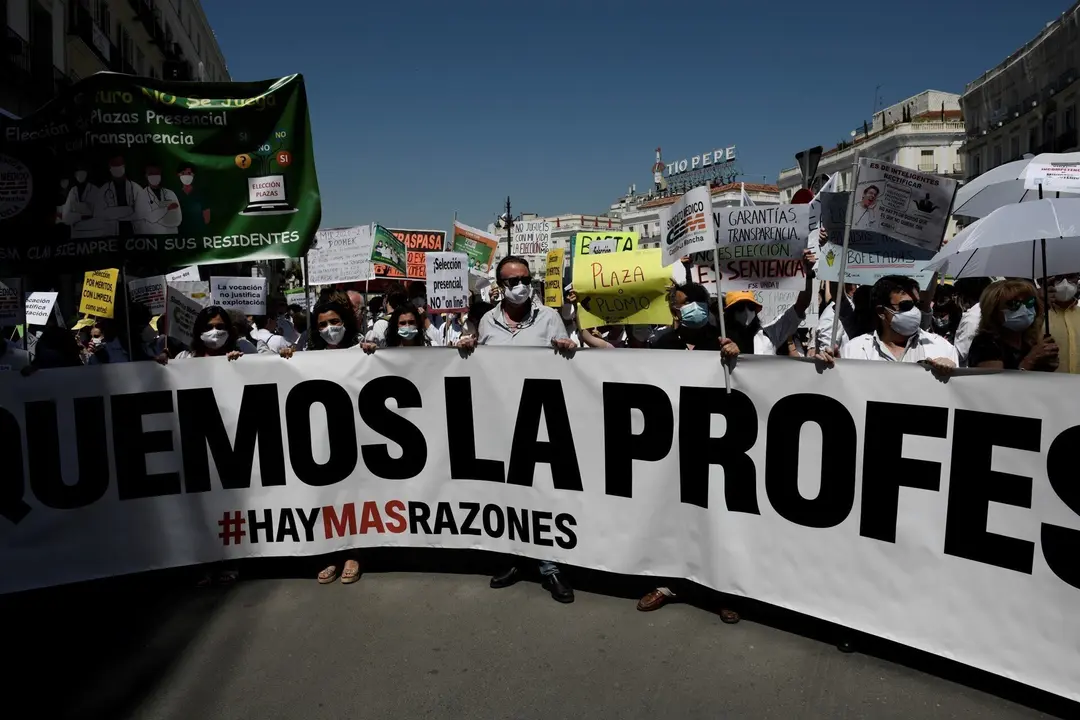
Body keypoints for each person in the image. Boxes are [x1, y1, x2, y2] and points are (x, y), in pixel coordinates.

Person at [458, 256, 576, 603]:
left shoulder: (550, 318)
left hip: (539, 422)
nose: (521, 286)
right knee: (505, 493)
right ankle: (512, 559)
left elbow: (568, 365)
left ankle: (550, 567)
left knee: (541, 494)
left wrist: (569, 348)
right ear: (500, 286)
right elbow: (476, 364)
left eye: (525, 279)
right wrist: (466, 347)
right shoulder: (487, 321)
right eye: (513, 281)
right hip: (498, 421)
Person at [637, 282, 741, 621]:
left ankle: (721, 590)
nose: (692, 308)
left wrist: (737, 356)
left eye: (698, 302)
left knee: (716, 518)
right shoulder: (662, 344)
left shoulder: (724, 341)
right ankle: (668, 583)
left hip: (718, 444)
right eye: (685, 303)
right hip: (672, 445)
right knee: (672, 515)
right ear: (674, 310)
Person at [279, 299, 363, 585]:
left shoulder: (362, 349)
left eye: (335, 322)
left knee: (354, 498)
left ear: (345, 322)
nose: (330, 328)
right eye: (323, 324)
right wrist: (286, 358)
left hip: (357, 437)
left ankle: (353, 554)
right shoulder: (309, 356)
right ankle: (330, 551)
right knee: (327, 498)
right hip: (321, 440)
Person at [841, 275, 957, 376]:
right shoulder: (854, 351)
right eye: (906, 305)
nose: (914, 311)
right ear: (881, 312)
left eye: (917, 304)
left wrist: (951, 373)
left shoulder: (942, 348)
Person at [967, 280, 1058, 372]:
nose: (1024, 309)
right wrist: (1030, 360)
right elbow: (995, 380)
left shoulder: (1030, 341)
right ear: (993, 311)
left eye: (1029, 302)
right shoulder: (985, 344)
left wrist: (1046, 364)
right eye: (1014, 304)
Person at [652, 283, 740, 354]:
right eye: (687, 302)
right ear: (675, 312)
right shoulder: (664, 344)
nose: (695, 305)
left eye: (700, 300)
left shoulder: (724, 340)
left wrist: (735, 353)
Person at [169, 306, 245, 361]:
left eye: (220, 326)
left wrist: (238, 363)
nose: (215, 331)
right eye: (208, 327)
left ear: (228, 329)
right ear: (199, 330)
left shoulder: (238, 356)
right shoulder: (184, 358)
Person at [95, 156, 141, 239]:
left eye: (119, 167)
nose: (117, 170)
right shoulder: (104, 190)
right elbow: (99, 214)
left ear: (124, 167)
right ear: (110, 169)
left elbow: (142, 212)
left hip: (134, 233)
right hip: (112, 234)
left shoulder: (136, 188)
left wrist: (112, 212)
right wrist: (129, 210)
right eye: (115, 168)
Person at [952, 278, 991, 367]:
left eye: (957, 295)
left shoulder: (971, 318)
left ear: (964, 296)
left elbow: (960, 353)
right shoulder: (986, 310)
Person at [1046, 274, 1080, 374]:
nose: (1065, 283)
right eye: (1058, 278)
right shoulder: (1034, 315)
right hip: (1046, 382)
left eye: (1070, 277)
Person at [133, 164, 182, 234]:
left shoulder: (170, 193)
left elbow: (177, 218)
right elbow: (150, 217)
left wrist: (157, 212)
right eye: (151, 173)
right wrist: (167, 208)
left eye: (157, 173)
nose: (154, 176)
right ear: (146, 175)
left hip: (170, 236)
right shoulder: (141, 196)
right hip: (151, 237)